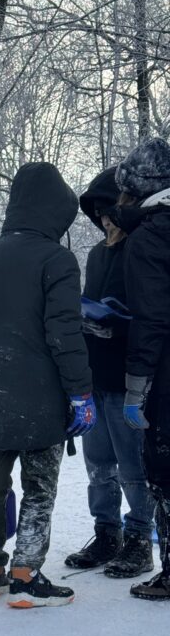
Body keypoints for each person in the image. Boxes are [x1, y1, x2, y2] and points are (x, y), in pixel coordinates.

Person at [0, 162, 96, 608]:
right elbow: (64, 332)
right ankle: (26, 574)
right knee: (39, 487)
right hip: (42, 397)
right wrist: (80, 393)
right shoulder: (56, 259)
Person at [64, 167, 155, 578]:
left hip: (128, 374)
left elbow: (150, 314)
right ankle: (106, 531)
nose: (103, 219)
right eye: (97, 212)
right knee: (98, 464)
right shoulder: (97, 254)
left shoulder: (143, 248)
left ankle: (139, 537)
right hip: (95, 373)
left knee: (133, 466)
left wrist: (118, 322)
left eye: (109, 210)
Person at [109, 137, 170, 600]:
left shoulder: (151, 235)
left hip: (165, 373)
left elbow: (151, 318)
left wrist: (136, 388)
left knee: (163, 463)